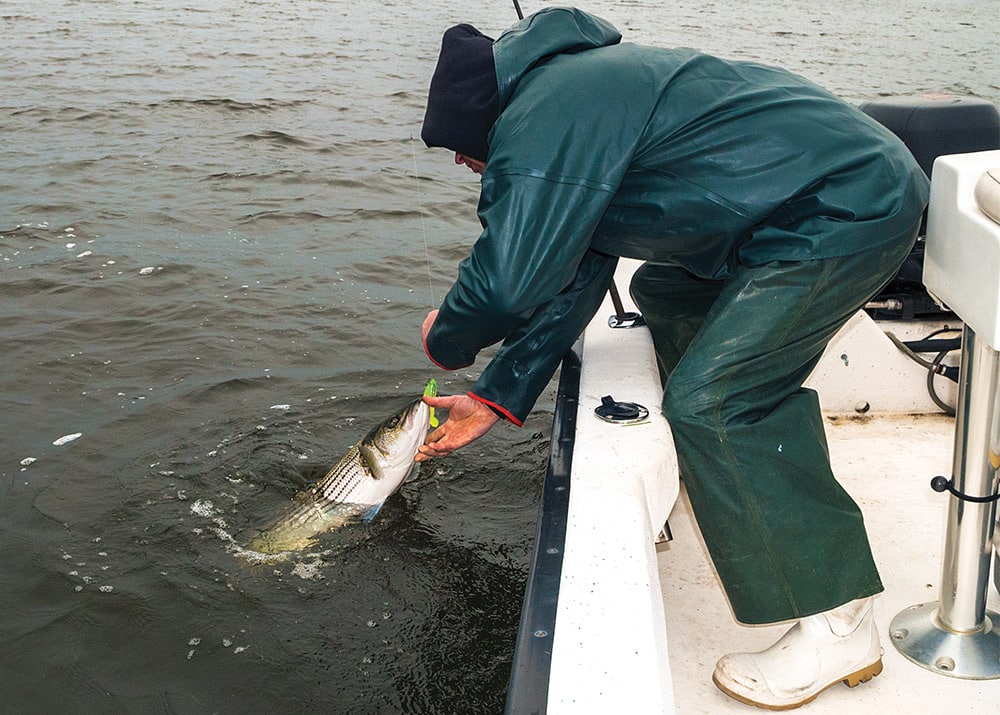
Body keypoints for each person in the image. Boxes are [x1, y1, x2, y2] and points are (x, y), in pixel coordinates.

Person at [414, 7, 929, 710]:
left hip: (842, 210)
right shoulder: (571, 92)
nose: (457, 160)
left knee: (717, 400)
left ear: (481, 118)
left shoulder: (547, 114)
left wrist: (446, 337)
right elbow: (573, 274)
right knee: (664, 288)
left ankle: (841, 621)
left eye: (455, 144)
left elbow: (508, 280)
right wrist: (494, 393)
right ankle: (728, 467)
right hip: (790, 209)